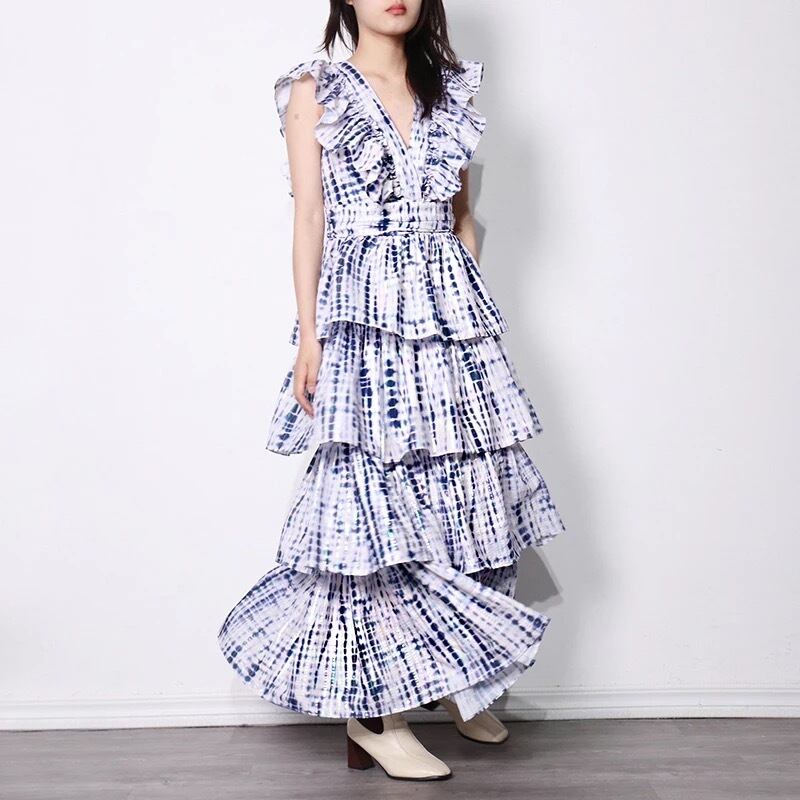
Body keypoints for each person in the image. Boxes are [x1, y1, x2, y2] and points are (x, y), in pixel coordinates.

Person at [217, 0, 566, 781]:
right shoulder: (317, 89)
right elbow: (309, 219)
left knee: (466, 486)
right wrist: (310, 337)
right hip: (363, 316)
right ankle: (375, 713)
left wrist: (460, 311)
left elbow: (463, 216)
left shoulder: (448, 90)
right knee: (372, 507)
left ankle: (455, 676)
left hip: (446, 317)